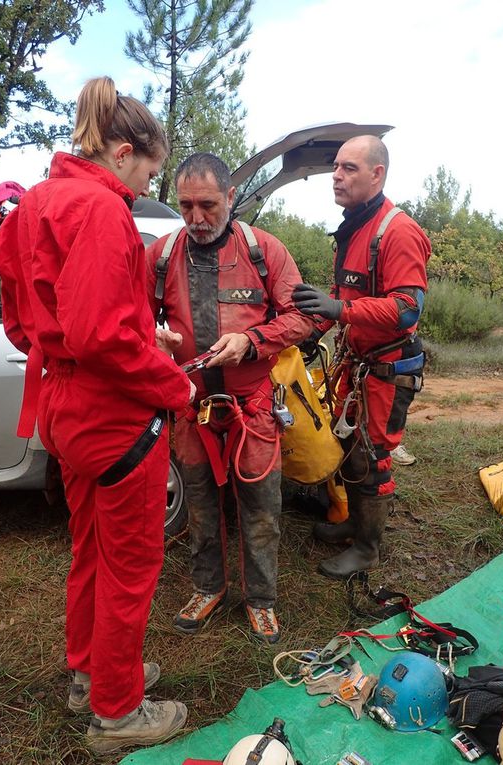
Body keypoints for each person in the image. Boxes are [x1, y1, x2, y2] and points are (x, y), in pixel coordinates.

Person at [0, 76, 194, 754]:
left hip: (62, 408)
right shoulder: (104, 211)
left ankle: (91, 670)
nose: (143, 187)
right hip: (114, 420)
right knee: (131, 562)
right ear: (124, 151)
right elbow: (102, 334)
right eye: (148, 171)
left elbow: (31, 319)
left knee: (90, 549)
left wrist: (133, 336)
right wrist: (172, 382)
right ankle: (116, 708)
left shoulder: (37, 202)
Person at [146, 153, 313, 644]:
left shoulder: (265, 251)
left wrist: (253, 341)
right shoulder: (160, 255)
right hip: (191, 409)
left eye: (208, 205)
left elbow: (305, 317)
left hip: (253, 406)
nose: (196, 218)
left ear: (232, 197)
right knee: (198, 500)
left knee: (261, 505)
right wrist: (154, 339)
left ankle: (261, 601)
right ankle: (207, 587)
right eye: (186, 206)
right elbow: (132, 318)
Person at [292, 135, 430, 579]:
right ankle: (354, 521)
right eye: (335, 166)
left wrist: (340, 311)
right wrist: (315, 330)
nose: (336, 175)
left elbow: (408, 307)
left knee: (372, 456)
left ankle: (368, 549)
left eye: (349, 168)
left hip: (388, 369)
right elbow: (341, 295)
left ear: (378, 174)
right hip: (357, 364)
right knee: (351, 445)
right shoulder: (352, 229)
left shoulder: (397, 231)